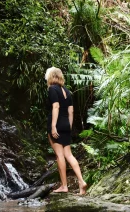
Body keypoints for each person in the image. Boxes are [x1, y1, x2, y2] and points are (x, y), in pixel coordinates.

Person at [45, 67, 87, 195]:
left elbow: (56, 106)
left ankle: (64, 186)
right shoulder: (67, 91)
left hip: (56, 124)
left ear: (51, 76)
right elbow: (71, 111)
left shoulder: (52, 89)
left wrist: (53, 126)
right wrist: (68, 126)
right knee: (69, 154)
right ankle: (81, 181)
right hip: (66, 124)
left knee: (59, 155)